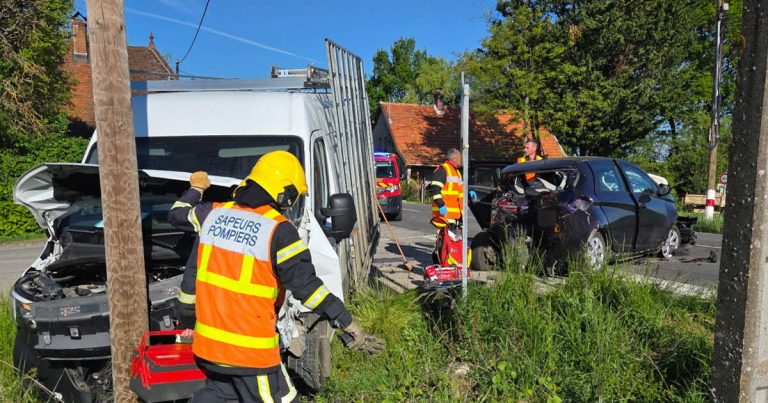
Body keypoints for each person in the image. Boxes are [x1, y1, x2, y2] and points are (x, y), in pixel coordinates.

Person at [168, 150, 385, 402]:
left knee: (218, 394)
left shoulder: (211, 215)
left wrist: (196, 189)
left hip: (208, 349)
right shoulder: (279, 231)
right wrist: (347, 323)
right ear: (285, 194)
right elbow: (309, 289)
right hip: (250, 354)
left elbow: (176, 216)